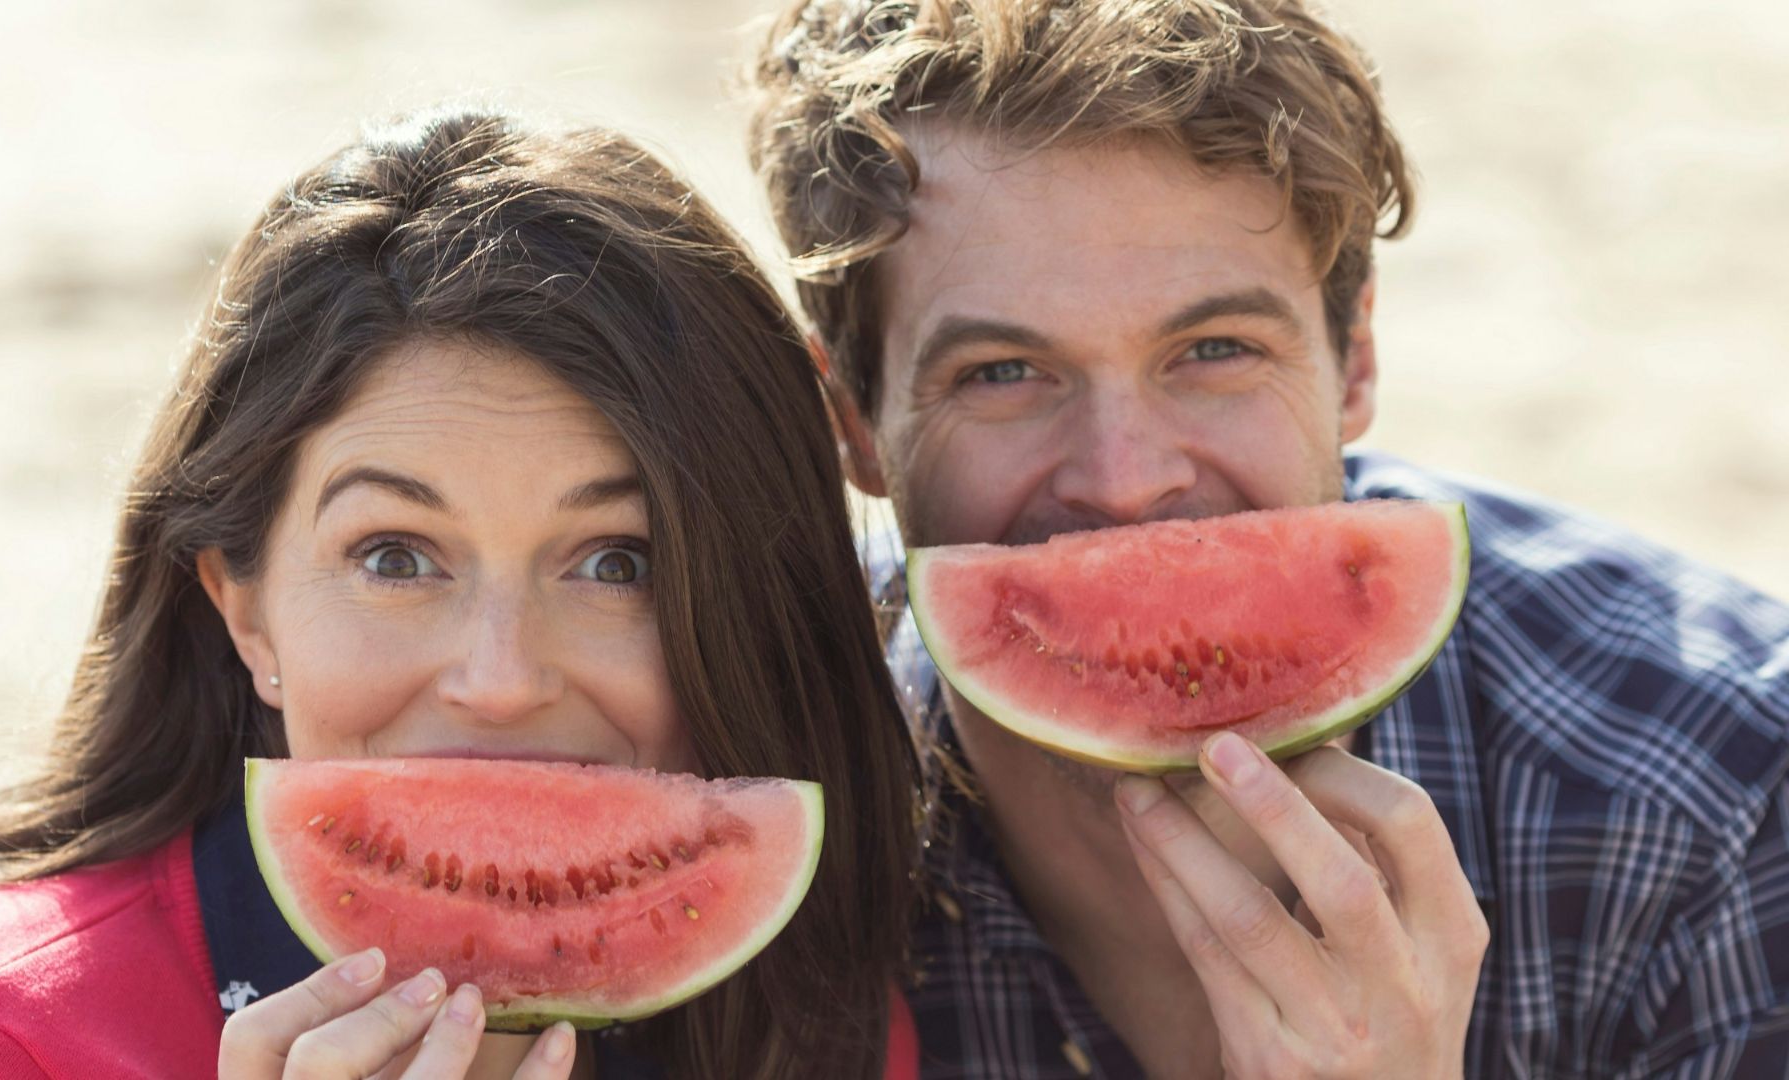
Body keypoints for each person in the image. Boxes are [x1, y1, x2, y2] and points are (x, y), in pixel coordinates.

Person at [746, 1, 1789, 1076]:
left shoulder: (1724, 800)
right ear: (857, 425)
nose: (1127, 482)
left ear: (1358, 359)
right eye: (1003, 373)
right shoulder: (750, 802)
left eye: (1214, 349)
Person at [0, 105, 923, 1079]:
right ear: (244, 611)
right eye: (395, 558)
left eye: (617, 564)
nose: (501, 680)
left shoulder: (820, 1029)